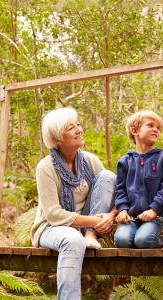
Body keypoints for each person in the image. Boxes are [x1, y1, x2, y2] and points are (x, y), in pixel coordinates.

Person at [31, 107, 118, 299]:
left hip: (87, 228)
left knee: (107, 176)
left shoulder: (90, 160)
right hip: (51, 228)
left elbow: (115, 193)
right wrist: (95, 221)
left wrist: (109, 217)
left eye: (78, 124)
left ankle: (89, 236)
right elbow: (53, 214)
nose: (79, 129)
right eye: (71, 128)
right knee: (72, 239)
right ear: (56, 139)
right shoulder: (46, 167)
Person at [113, 111, 163, 249]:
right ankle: (139, 235)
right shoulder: (124, 161)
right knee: (121, 240)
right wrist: (123, 210)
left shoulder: (162, 157)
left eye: (158, 128)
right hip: (132, 218)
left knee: (143, 240)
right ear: (134, 130)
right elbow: (120, 190)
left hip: (155, 217)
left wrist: (154, 209)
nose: (156, 129)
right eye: (151, 125)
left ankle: (158, 240)